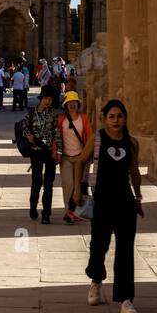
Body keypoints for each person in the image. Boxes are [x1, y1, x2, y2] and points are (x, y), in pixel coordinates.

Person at [74, 98, 142, 313]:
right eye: (111, 117)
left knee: (125, 249)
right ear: (104, 119)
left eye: (119, 116)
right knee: (99, 244)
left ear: (125, 119)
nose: (116, 120)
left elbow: (134, 172)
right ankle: (96, 280)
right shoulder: (98, 138)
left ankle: (125, 299)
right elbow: (80, 162)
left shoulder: (131, 143)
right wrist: (77, 190)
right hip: (102, 199)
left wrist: (138, 197)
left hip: (125, 200)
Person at [20, 86, 61, 224]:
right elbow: (23, 127)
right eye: (46, 99)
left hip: (49, 152)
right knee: (36, 181)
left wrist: (57, 150)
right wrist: (29, 135)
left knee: (49, 183)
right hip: (36, 152)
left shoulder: (53, 114)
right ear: (41, 99)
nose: (48, 101)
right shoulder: (31, 113)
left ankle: (46, 213)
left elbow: (57, 133)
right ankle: (33, 206)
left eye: (50, 99)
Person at [57, 91, 92, 224]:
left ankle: (76, 211)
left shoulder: (84, 118)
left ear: (78, 104)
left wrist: (88, 154)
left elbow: (89, 136)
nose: (72, 105)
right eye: (69, 103)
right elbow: (56, 137)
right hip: (66, 157)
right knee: (68, 184)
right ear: (66, 105)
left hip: (81, 157)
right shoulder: (61, 119)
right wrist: (56, 152)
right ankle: (69, 211)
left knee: (80, 185)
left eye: (74, 103)